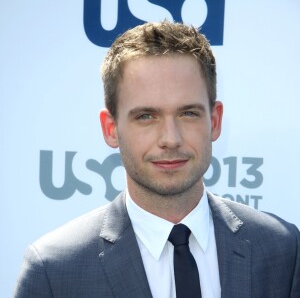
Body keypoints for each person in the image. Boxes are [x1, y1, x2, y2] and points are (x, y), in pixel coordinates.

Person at [15, 21, 299, 298]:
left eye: (188, 113)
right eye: (146, 116)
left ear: (214, 121)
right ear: (111, 128)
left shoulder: (282, 250)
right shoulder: (55, 271)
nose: (170, 138)